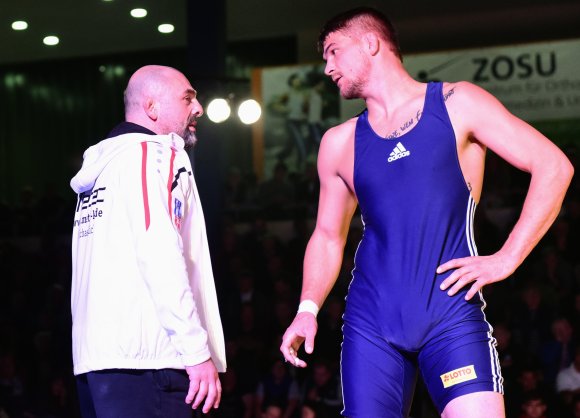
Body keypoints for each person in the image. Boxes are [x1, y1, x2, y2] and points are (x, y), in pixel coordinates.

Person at [279, 7, 574, 418]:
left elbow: (554, 166)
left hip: (449, 314)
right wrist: (306, 310)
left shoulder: (457, 103)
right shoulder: (338, 143)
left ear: (370, 43)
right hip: (371, 323)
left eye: (332, 52)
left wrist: (508, 257)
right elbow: (328, 235)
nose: (327, 67)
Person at [70, 65, 227, 417]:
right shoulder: (152, 154)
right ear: (152, 108)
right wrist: (196, 351)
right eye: (188, 98)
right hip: (152, 360)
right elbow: (159, 252)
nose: (198, 108)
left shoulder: (104, 167)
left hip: (98, 364)